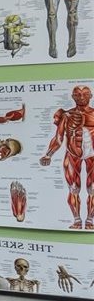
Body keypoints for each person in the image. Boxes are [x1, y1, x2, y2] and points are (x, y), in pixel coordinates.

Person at [41, 84, 93, 229]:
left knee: (93, 188)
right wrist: (48, 154)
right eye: (78, 94)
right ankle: (77, 220)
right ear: (73, 97)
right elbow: (58, 137)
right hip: (72, 154)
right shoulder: (66, 115)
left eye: (85, 94)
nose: (82, 97)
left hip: (93, 155)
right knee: (74, 188)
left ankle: (89, 220)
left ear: (90, 96)